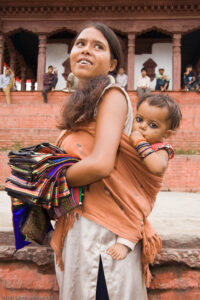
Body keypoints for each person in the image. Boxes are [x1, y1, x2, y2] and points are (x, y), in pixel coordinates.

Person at [50, 22, 181, 300]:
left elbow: (100, 164)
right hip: (80, 224)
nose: (86, 50)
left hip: (105, 231)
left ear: (112, 64)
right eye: (81, 43)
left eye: (98, 46)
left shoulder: (111, 95)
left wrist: (49, 181)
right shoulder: (80, 103)